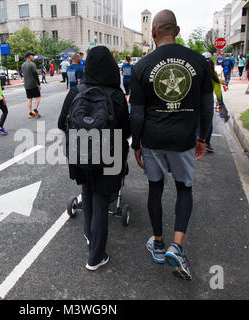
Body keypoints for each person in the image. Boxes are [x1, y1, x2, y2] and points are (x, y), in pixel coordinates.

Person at [130, 10, 213, 281]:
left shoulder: (141, 66)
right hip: (184, 140)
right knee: (184, 188)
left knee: (155, 188)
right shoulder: (199, 61)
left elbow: (138, 112)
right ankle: (177, 245)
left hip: (153, 140)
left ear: (153, 33)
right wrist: (202, 138)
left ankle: (157, 243)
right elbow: (206, 107)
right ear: (176, 31)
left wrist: (136, 144)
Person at [58, 46, 130, 271]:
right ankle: (95, 256)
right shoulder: (116, 95)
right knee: (101, 199)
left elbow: (62, 123)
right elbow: (126, 130)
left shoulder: (76, 92)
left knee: (87, 192)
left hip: (79, 152)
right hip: (110, 155)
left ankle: (90, 237)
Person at [22, 52, 42, 119]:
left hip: (26, 84)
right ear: (29, 56)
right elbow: (35, 75)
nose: (33, 57)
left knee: (29, 98)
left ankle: (30, 113)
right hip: (33, 84)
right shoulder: (32, 64)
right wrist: (39, 84)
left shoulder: (23, 64)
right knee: (38, 97)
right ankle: (35, 110)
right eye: (32, 56)